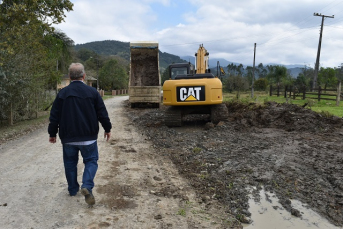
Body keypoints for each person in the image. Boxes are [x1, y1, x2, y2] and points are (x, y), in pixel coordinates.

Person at [48, 63, 112, 206]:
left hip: (68, 138)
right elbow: (102, 113)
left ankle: (72, 189)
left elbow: (54, 116)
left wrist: (52, 133)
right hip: (88, 137)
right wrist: (107, 129)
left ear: (70, 77)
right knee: (91, 161)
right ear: (84, 76)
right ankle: (87, 186)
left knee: (70, 163)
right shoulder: (92, 92)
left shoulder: (62, 94)